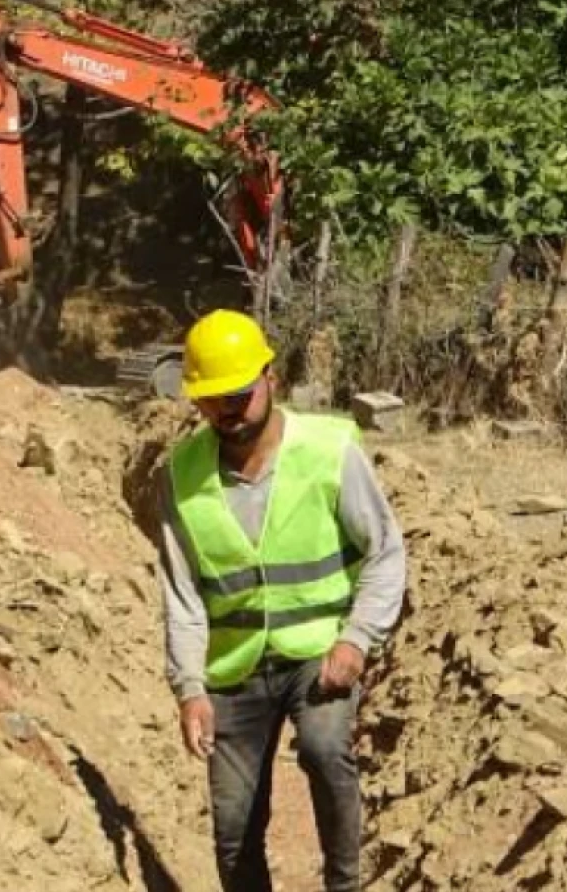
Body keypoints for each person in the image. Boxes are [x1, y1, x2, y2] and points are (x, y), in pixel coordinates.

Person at [156, 309, 406, 892]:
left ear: (270, 377)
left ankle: (344, 884)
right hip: (234, 668)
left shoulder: (329, 449)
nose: (228, 411)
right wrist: (190, 688)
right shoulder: (180, 474)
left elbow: (386, 552)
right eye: (212, 400)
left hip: (318, 653)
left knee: (322, 749)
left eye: (239, 395)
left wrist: (357, 638)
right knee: (234, 828)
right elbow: (182, 592)